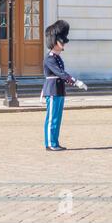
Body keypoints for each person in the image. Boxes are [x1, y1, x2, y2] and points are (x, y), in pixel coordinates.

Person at [42, 20, 88, 151]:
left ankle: (55, 142)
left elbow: (61, 75)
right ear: (55, 41)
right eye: (61, 42)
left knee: (57, 119)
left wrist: (70, 82)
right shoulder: (50, 58)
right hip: (52, 90)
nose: (63, 45)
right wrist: (75, 81)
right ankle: (50, 143)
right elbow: (60, 73)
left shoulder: (57, 57)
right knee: (51, 118)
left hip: (59, 90)